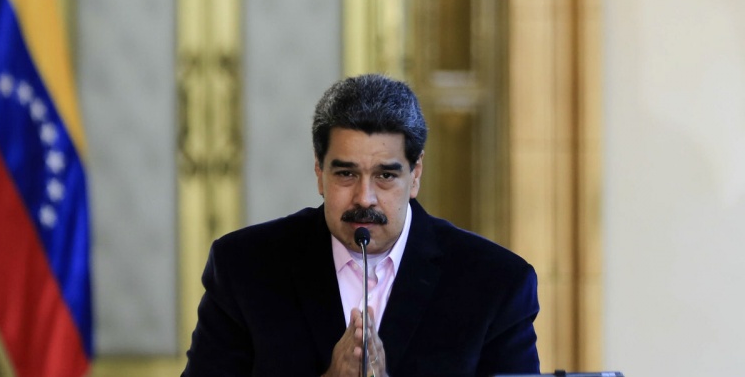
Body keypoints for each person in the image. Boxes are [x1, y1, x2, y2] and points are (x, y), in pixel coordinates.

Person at [182, 74, 539, 377]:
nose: (365, 198)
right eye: (346, 174)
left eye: (385, 175)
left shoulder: (495, 284)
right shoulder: (244, 268)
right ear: (319, 172)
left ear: (415, 174)